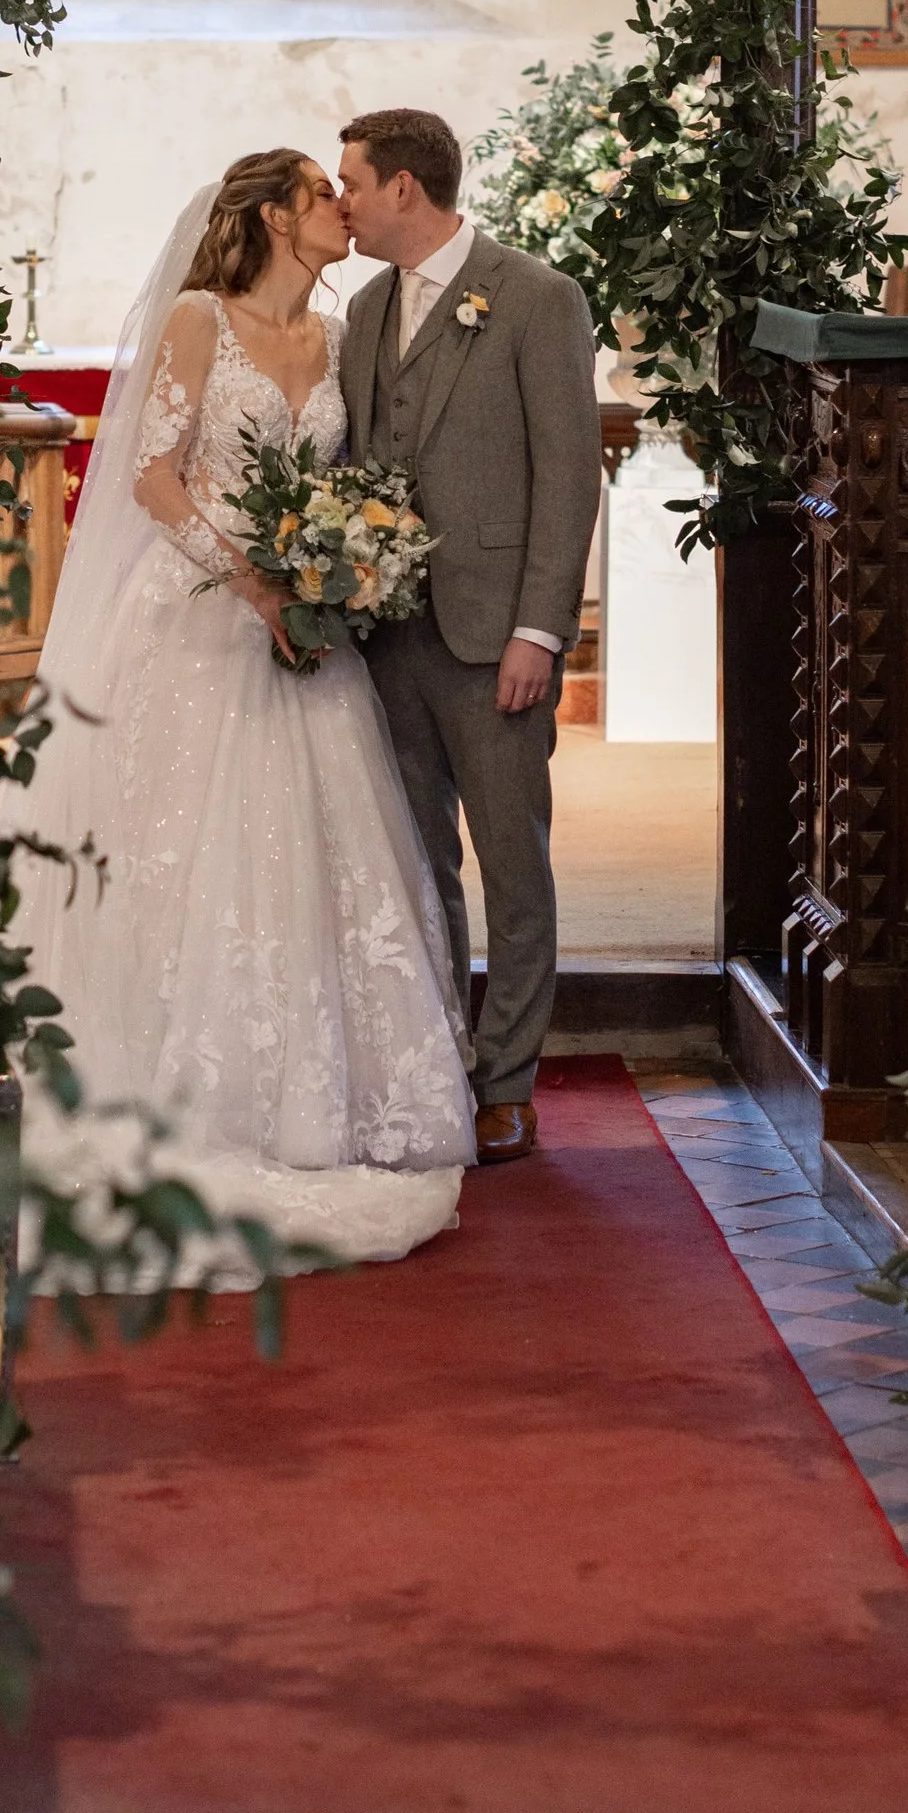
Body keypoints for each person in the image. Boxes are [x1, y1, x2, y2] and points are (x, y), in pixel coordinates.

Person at [0, 147, 475, 1266]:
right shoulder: (202, 319)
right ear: (267, 215)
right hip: (198, 622)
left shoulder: (337, 337)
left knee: (308, 855)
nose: (339, 209)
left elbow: (345, 480)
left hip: (304, 634)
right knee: (179, 849)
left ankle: (305, 1104)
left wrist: (341, 563)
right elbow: (153, 476)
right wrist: (253, 577)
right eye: (319, 193)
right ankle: (168, 1091)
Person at [336, 106, 603, 1167]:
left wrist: (543, 628)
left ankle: (507, 1082)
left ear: (405, 187)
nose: (341, 199)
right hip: (384, 633)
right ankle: (436, 1052)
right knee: (413, 860)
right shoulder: (362, 310)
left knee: (511, 860)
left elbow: (568, 474)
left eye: (352, 180)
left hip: (497, 636)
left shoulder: (537, 297)